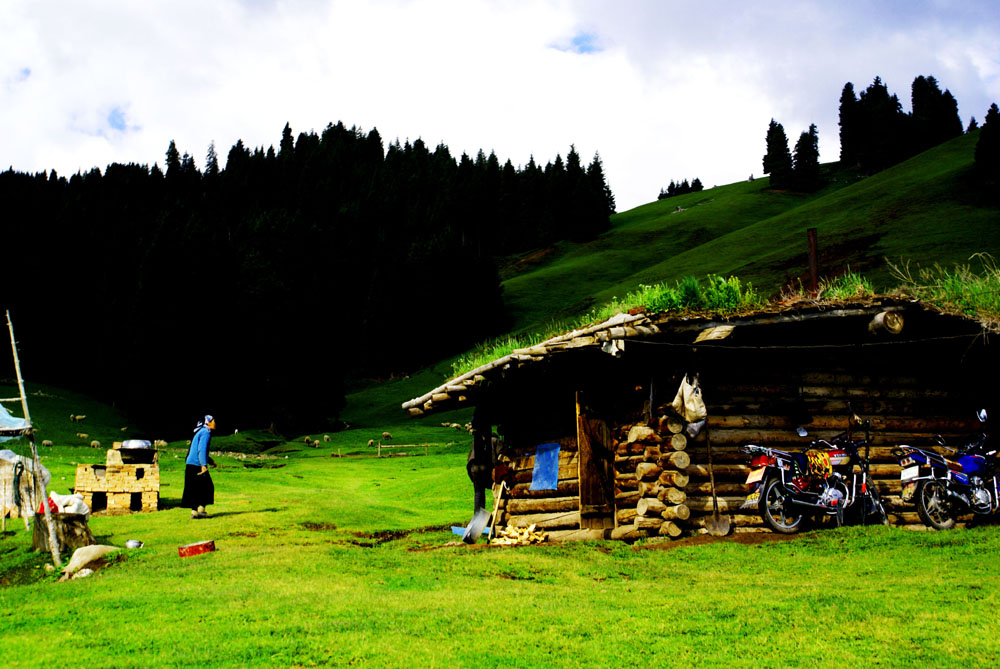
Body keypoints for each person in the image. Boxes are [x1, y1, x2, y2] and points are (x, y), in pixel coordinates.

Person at [182, 415, 216, 519]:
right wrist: (203, 465)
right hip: (197, 464)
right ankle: (201, 511)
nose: (215, 423)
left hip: (191, 464)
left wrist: (210, 461)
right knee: (208, 487)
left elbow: (200, 450)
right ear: (208, 422)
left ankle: (195, 512)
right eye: (214, 421)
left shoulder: (199, 431)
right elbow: (202, 449)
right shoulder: (205, 432)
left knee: (195, 488)